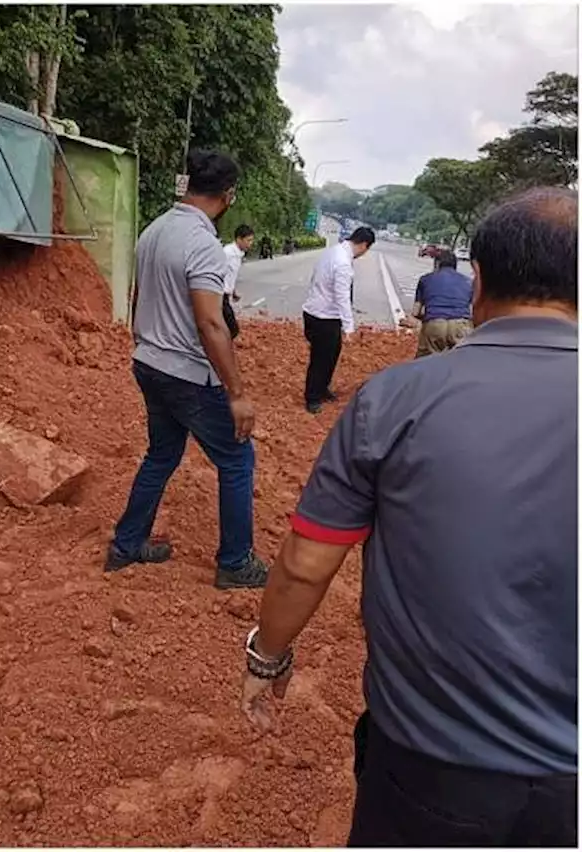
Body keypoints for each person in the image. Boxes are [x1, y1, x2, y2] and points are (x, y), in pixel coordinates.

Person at [239, 187, 577, 846]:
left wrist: (268, 658)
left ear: (477, 282)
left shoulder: (395, 400)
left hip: (430, 770)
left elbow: (307, 566)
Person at [107, 149, 268, 589]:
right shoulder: (204, 246)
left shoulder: (153, 231)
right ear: (228, 195)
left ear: (187, 184)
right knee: (237, 458)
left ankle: (127, 545)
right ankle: (235, 563)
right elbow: (211, 322)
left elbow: (140, 298)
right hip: (185, 374)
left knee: (162, 454)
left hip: (149, 362)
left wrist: (145, 344)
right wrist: (236, 394)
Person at [300, 226, 376, 414]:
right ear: (365, 245)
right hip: (324, 317)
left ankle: (322, 388)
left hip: (316, 312)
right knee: (321, 358)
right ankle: (312, 397)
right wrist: (349, 327)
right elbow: (342, 296)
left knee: (332, 353)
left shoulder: (333, 252)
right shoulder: (342, 262)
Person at [400, 248, 473, 356]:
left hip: (434, 325)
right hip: (461, 326)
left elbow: (416, 312)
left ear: (437, 264)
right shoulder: (468, 282)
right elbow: (471, 312)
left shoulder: (425, 279)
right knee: (458, 364)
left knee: (425, 362)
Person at [222, 224, 254, 339]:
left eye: (251, 240)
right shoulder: (227, 253)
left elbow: (231, 275)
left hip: (226, 295)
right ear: (239, 239)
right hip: (219, 295)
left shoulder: (239, 254)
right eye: (248, 240)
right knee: (232, 328)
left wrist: (233, 291)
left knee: (224, 327)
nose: (250, 244)